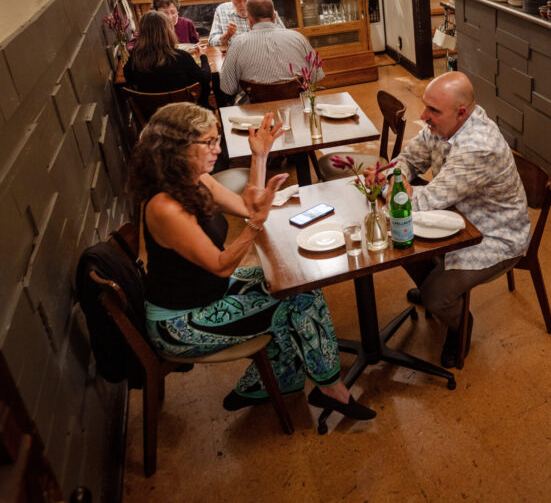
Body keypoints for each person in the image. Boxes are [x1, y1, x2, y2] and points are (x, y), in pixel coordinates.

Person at [127, 103, 374, 420]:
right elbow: (221, 265)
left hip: (209, 293)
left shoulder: (196, 179)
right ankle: (331, 390)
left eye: (217, 140)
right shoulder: (164, 206)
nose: (218, 149)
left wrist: (259, 156)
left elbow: (246, 205)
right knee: (292, 299)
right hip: (180, 323)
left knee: (297, 283)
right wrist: (255, 225)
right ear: (177, 149)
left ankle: (273, 382)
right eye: (209, 142)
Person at [379, 72, 529, 367]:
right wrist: (396, 182)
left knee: (435, 295)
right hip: (458, 217)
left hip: (495, 235)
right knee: (402, 244)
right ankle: (437, 289)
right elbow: (406, 161)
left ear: (461, 113)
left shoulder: (476, 148)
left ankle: (460, 323)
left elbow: (421, 202)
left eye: (433, 110)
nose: (424, 116)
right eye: (426, 107)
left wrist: (393, 189)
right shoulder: (444, 126)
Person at [218, 0, 321, 100]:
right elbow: (315, 76)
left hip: (255, 111)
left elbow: (228, 88)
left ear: (249, 19)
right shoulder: (298, 38)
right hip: (297, 106)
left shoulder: (237, 43)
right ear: (275, 16)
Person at [124, 10, 212, 108]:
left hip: (153, 115)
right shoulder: (180, 56)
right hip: (185, 112)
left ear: (142, 33)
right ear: (168, 31)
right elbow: (206, 77)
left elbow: (129, 79)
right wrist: (203, 56)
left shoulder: (136, 57)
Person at [208, 0, 284, 49]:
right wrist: (227, 35)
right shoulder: (222, 10)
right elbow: (211, 42)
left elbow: (284, 36)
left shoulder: (265, 8)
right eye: (238, 1)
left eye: (246, 0)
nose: (243, 5)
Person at [127, 0, 199, 51]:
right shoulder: (150, 26)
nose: (169, 17)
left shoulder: (187, 24)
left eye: (173, 12)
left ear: (177, 10)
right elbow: (131, 47)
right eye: (164, 13)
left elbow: (196, 45)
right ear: (156, 13)